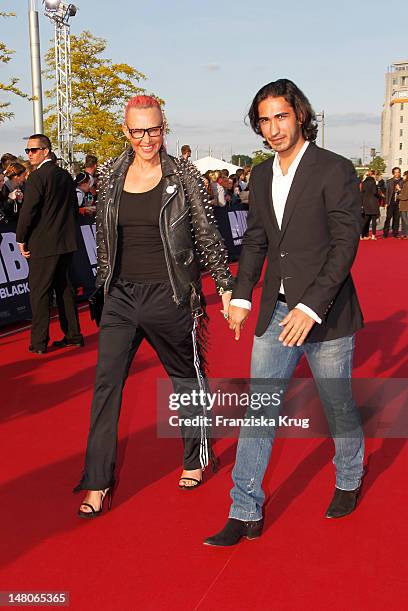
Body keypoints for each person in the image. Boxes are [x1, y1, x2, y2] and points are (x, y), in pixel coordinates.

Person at [205, 79, 364, 547]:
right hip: (275, 311)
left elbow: (344, 244)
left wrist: (311, 305)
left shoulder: (334, 169)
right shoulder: (258, 174)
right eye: (264, 120)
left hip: (326, 313)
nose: (273, 128)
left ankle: (350, 475)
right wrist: (240, 296)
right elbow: (256, 239)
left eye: (281, 116)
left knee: (337, 405)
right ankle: (244, 509)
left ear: (300, 115)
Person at [74, 95, 233, 518]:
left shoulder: (183, 175)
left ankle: (196, 456)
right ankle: (96, 481)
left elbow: (206, 234)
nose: (147, 138)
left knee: (185, 379)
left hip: (172, 293)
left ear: (165, 127)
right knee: (106, 385)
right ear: (126, 132)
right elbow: (105, 237)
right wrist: (103, 288)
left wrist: (227, 288)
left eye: (155, 129)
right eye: (138, 130)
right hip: (121, 296)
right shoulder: (110, 174)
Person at [15, 134, 83, 354]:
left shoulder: (37, 177)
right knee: (64, 289)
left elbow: (28, 212)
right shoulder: (64, 176)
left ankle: (39, 342)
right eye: (27, 151)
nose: (29, 154)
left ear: (46, 151)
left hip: (44, 244)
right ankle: (73, 335)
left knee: (40, 292)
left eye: (33, 150)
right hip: (65, 242)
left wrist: (20, 238)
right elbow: (74, 207)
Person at [383, 167, 403, 238]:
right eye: (396, 172)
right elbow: (387, 193)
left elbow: (404, 192)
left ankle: (395, 233)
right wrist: (386, 203)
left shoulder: (402, 181)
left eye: (398, 172)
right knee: (388, 218)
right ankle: (385, 233)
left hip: (399, 202)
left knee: (397, 218)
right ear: (393, 173)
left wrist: (399, 189)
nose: (397, 174)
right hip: (390, 202)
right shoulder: (389, 181)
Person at [361, 169, 379, 239]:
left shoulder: (363, 183)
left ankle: (361, 235)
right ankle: (373, 236)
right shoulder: (373, 182)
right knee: (374, 220)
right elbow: (375, 192)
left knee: (365, 220)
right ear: (372, 175)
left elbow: (362, 193)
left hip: (366, 203)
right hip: (373, 203)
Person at [397, 170, 408, 239]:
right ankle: (404, 234)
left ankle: (406, 234)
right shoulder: (405, 183)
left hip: (405, 204)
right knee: (403, 220)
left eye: (404, 175)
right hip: (403, 205)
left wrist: (398, 196)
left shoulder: (407, 184)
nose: (403, 176)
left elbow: (405, 196)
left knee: (405, 220)